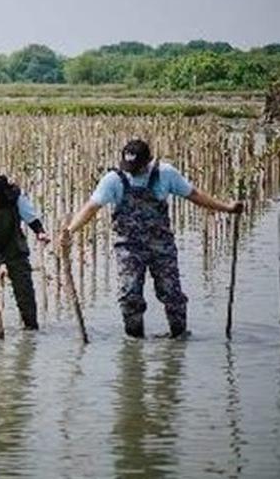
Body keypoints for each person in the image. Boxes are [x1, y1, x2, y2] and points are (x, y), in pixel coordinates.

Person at [59, 139, 242, 338]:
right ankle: (134, 343)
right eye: (129, 166)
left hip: (161, 246)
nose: (132, 171)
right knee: (130, 295)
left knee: (172, 294)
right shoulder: (113, 179)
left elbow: (195, 195)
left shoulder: (166, 174)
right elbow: (91, 207)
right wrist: (70, 230)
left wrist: (227, 208)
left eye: (137, 167)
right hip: (128, 247)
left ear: (148, 162)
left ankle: (178, 339)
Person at [0, 173, 49, 332]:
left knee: (24, 286)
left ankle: (31, 329)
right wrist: (0, 263)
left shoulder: (16, 197)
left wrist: (40, 232)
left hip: (12, 243)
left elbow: (30, 217)